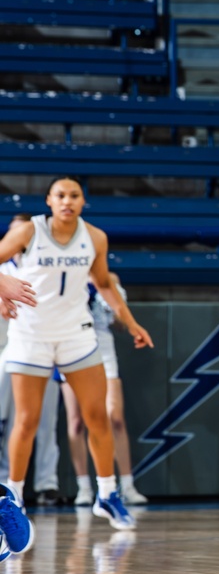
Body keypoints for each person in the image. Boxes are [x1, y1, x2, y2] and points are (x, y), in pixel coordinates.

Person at [0, 176, 153, 545]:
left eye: (74, 195)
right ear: (49, 200)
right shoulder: (29, 231)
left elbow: (103, 284)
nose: (67, 201)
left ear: (83, 201)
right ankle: (14, 499)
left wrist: (131, 323)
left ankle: (107, 493)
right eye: (60, 195)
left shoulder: (95, 237)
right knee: (26, 420)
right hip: (31, 333)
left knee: (97, 415)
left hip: (76, 334)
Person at [62, 275, 148, 507]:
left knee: (115, 417)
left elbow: (119, 323)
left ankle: (127, 485)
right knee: (77, 421)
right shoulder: (64, 270)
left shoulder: (108, 277)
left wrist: (113, 304)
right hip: (69, 344)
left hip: (102, 345)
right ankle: (84, 487)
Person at [0, 215, 61, 507]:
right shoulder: (3, 268)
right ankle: (5, 482)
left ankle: (47, 483)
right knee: (8, 421)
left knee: (45, 420)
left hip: (42, 348)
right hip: (6, 350)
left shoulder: (48, 265)